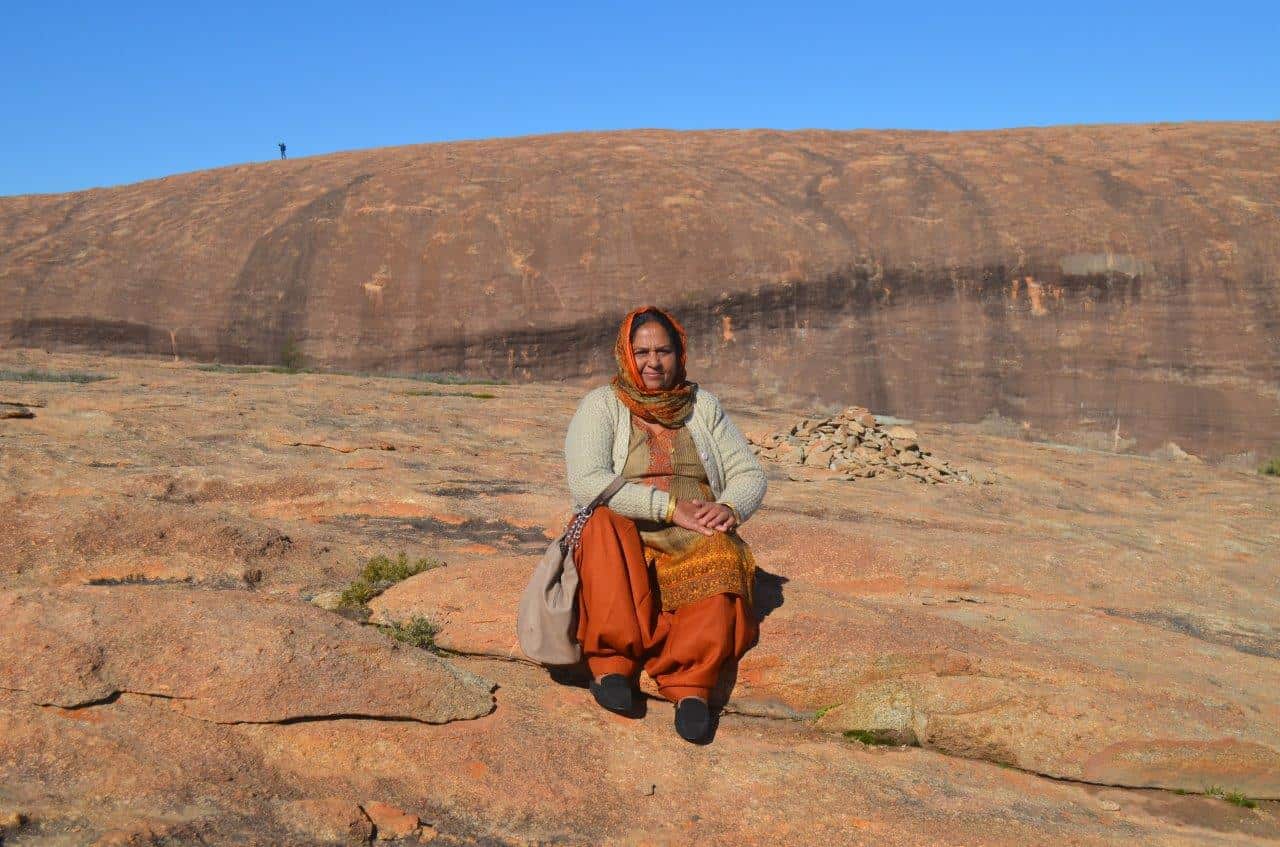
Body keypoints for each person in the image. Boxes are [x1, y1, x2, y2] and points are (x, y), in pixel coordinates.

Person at [564, 305, 767, 742]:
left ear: (680, 354)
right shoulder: (601, 405)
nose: (653, 363)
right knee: (600, 524)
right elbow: (587, 482)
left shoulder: (703, 406)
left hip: (693, 529)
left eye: (663, 351)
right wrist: (669, 508)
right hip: (628, 524)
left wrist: (731, 507)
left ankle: (690, 686)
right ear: (625, 354)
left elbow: (749, 474)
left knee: (722, 549)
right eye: (641, 352)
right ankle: (613, 666)